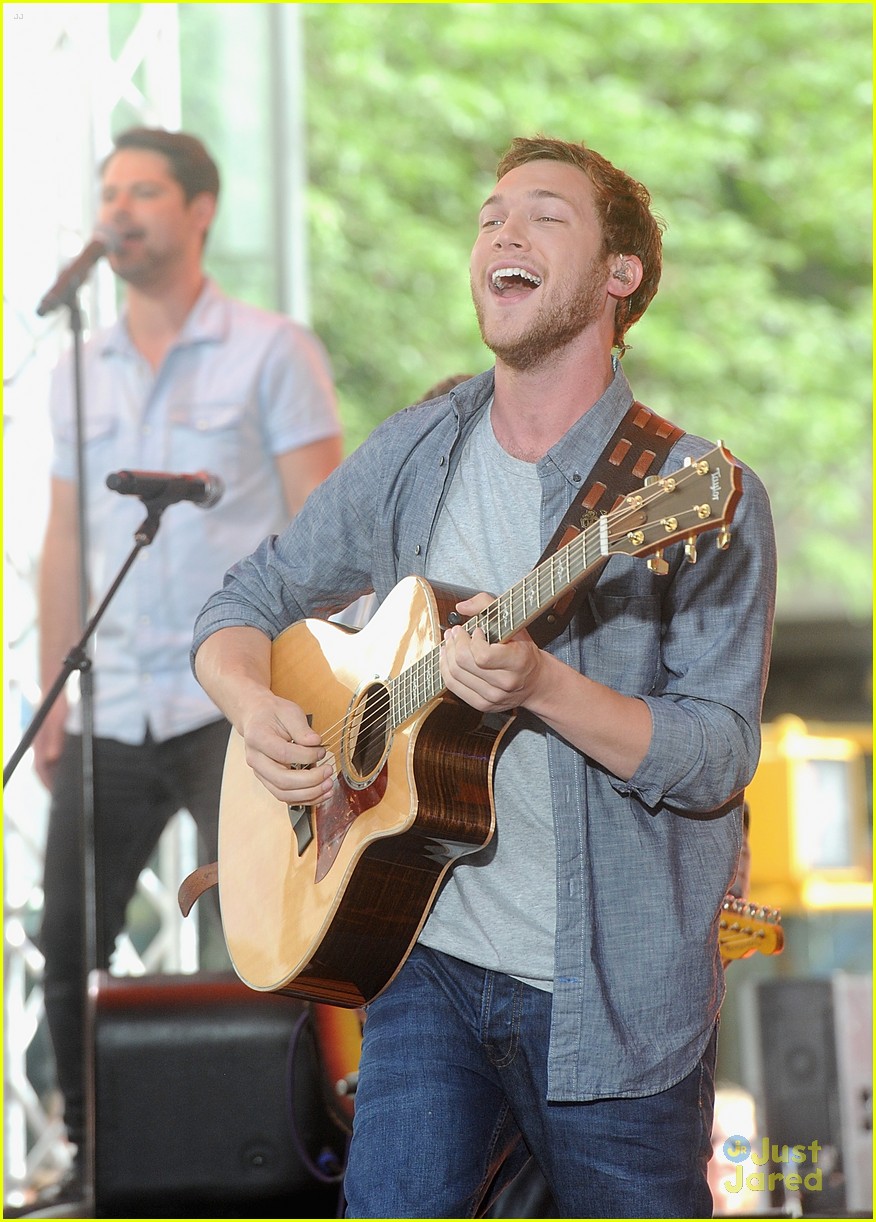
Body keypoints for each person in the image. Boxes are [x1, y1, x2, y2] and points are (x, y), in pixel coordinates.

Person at [191, 135, 776, 1218]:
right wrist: (254, 703)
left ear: (620, 276)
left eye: (545, 215)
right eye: (490, 215)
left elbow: (716, 756)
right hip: (427, 956)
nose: (502, 231)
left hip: (615, 996)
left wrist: (545, 687)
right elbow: (247, 599)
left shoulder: (684, 489)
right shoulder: (422, 443)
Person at [34, 126, 342, 1197]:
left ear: (199, 209)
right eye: (108, 190)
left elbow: (325, 529)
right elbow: (63, 534)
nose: (119, 209)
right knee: (70, 940)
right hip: (111, 700)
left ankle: (261, 1159)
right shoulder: (77, 365)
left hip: (238, 708)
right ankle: (90, 1158)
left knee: (252, 945)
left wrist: (320, 688)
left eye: (145, 191)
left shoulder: (271, 349)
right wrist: (52, 693)